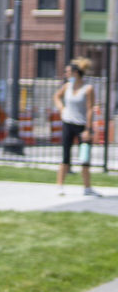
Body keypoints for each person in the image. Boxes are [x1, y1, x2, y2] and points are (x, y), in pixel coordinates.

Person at [57, 59, 97, 196]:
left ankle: (87, 188)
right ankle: (60, 187)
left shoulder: (88, 88)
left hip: (82, 127)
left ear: (75, 72)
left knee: (84, 158)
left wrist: (88, 129)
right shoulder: (67, 86)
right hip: (68, 124)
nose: (65, 73)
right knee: (65, 157)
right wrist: (62, 108)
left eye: (67, 71)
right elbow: (56, 97)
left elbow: (90, 109)